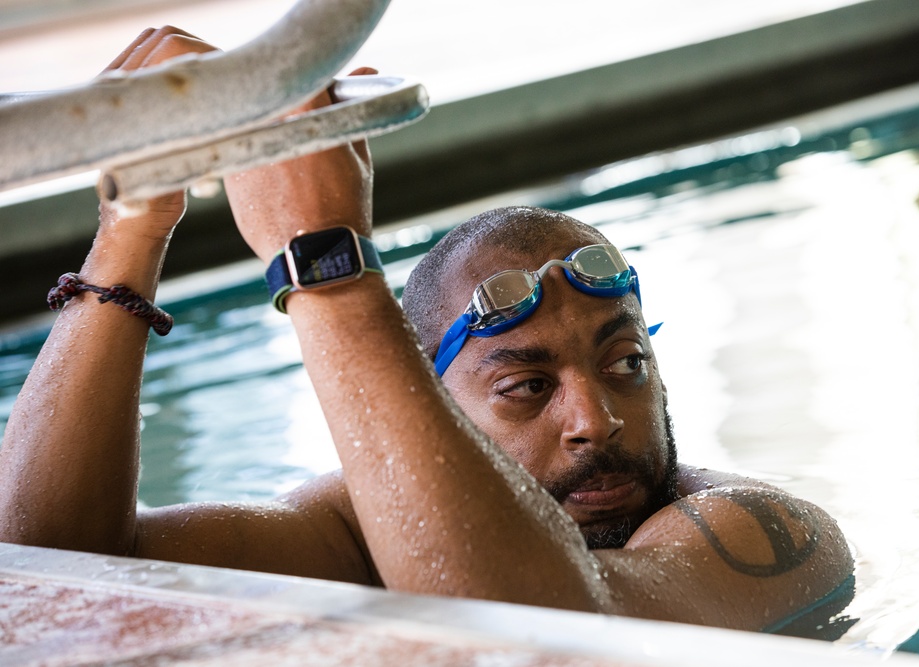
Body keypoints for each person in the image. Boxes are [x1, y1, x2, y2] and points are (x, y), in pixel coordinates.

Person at [0, 27, 852, 631]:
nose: (596, 418)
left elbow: (552, 648)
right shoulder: (355, 529)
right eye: (528, 386)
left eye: (626, 361)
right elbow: (49, 578)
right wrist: (133, 226)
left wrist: (323, 265)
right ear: (433, 400)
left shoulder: (756, 530)